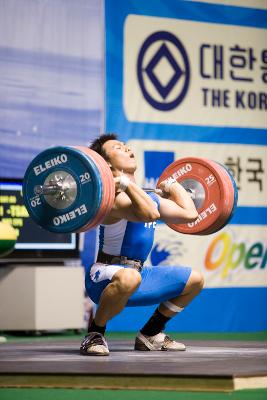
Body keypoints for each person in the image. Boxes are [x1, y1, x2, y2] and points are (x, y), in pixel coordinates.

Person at [80, 133, 204, 356]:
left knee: (195, 279)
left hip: (138, 274)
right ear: (106, 163)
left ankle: (151, 333)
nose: (126, 148)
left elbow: (190, 214)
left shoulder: (148, 197)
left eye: (126, 145)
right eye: (118, 147)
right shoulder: (113, 199)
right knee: (130, 277)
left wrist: (174, 187)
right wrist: (126, 184)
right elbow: (150, 213)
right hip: (104, 277)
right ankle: (94, 333)